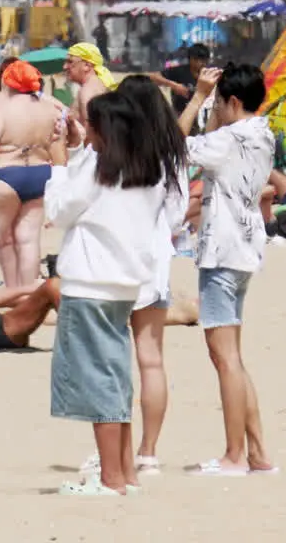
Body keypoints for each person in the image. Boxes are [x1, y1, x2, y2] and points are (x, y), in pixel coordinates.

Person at [45, 92, 172, 496]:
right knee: (115, 376)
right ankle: (124, 474)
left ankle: (111, 479)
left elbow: (59, 210)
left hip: (89, 283)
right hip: (125, 284)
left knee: (100, 380)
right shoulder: (147, 171)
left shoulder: (99, 169)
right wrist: (80, 148)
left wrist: (59, 166)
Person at [76, 75, 189, 477]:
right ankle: (148, 453)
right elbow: (177, 214)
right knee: (151, 358)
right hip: (156, 260)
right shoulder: (172, 152)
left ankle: (118, 455)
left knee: (113, 357)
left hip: (114, 262)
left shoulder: (117, 152)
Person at [177, 63, 278, 476]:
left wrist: (199, 97)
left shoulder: (228, 139)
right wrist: (215, 109)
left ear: (233, 102)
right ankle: (256, 453)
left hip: (222, 249)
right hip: (247, 244)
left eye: (222, 102)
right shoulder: (263, 133)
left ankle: (235, 455)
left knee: (224, 357)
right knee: (233, 356)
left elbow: (172, 143)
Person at [0, 61, 59, 296]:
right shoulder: (48, 107)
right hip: (40, 172)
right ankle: (29, 296)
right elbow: (68, 124)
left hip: (6, 171)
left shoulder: (3, 107)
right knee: (29, 240)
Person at [63, 42, 118, 125]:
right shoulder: (93, 86)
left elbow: (92, 132)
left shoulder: (87, 92)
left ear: (87, 66)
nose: (65, 67)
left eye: (70, 62)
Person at [150, 43, 209, 117]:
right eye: (197, 59)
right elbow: (153, 77)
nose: (202, 63)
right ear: (190, 59)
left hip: (202, 116)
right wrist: (174, 85)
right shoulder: (180, 71)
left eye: (204, 60)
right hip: (180, 115)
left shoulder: (210, 74)